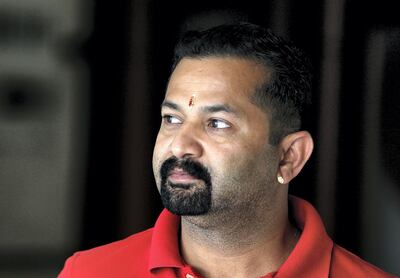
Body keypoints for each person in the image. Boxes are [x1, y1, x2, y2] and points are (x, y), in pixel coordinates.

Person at [59, 22, 395, 277]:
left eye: (217, 123)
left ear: (289, 157)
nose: (180, 144)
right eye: (172, 118)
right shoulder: (88, 271)